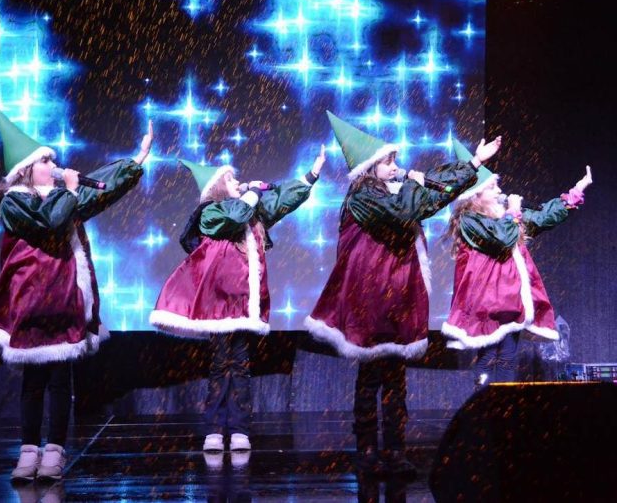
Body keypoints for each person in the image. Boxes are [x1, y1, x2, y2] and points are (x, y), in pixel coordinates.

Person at [305, 111, 500, 475]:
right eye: (389, 162)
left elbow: (431, 196)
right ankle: (367, 450)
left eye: (396, 160)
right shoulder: (363, 196)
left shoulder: (393, 193)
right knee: (370, 378)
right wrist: (414, 180)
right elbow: (406, 210)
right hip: (371, 300)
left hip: (397, 299)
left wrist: (473, 163)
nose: (396, 167)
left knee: (396, 379)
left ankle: (395, 450)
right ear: (370, 169)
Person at [0, 106, 152, 481]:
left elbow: (100, 187)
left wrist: (135, 160)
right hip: (31, 300)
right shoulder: (14, 201)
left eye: (52, 160)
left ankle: (54, 451)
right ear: (25, 169)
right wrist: (69, 190)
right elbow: (49, 222)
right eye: (45, 161)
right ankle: (28, 452)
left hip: (65, 297)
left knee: (59, 380)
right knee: (33, 382)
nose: (53, 165)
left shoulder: (64, 197)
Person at [150, 147, 326, 452]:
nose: (238, 182)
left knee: (241, 365)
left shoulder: (250, 212)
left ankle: (240, 428)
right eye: (231, 179)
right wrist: (253, 193)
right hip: (219, 304)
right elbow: (235, 215)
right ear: (218, 187)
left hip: (243, 304)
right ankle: (215, 429)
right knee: (220, 364)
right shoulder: (211, 213)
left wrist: (311, 175)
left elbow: (281, 201)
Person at [441, 151, 592, 387]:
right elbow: (501, 238)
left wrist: (575, 192)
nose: (499, 191)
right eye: (492, 188)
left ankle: (504, 402)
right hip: (487, 300)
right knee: (488, 354)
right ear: (475, 195)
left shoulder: (507, 216)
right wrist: (512, 212)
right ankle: (485, 399)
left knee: (508, 356)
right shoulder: (470, 220)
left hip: (510, 297)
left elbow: (541, 217)